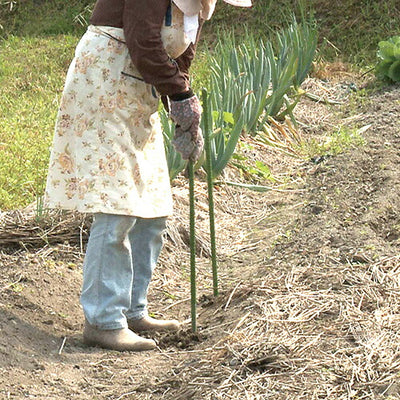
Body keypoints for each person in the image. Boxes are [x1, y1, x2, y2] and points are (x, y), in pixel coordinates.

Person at [45, 0, 251, 352]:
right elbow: (143, 41)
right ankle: (103, 320)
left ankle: (130, 308)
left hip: (140, 91)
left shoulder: (197, 5)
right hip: (105, 84)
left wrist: (182, 106)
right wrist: (181, 94)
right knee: (117, 203)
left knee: (154, 206)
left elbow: (180, 56)